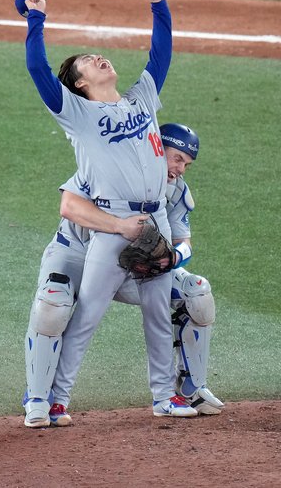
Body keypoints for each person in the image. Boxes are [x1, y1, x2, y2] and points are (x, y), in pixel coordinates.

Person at [20, 0, 198, 425]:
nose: (99, 58)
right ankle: (55, 398)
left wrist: (158, 3)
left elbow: (162, 55)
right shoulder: (77, 115)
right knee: (86, 316)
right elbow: (39, 71)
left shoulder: (142, 99)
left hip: (153, 220)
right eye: (89, 63)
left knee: (159, 314)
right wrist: (36, 20)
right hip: (112, 224)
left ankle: (164, 397)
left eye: (98, 56)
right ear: (78, 85)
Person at [22, 122, 224, 428]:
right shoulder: (110, 167)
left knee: (196, 293)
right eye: (177, 158)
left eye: (187, 164)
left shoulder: (175, 191)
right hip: (74, 255)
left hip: (133, 268)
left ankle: (189, 388)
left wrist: (172, 259)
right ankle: (39, 399)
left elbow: (184, 242)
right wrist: (117, 225)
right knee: (53, 307)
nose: (181, 169)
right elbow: (69, 206)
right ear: (157, 148)